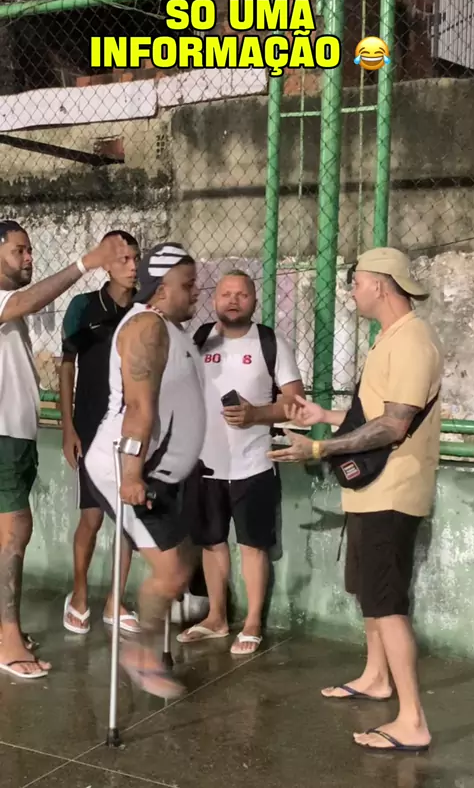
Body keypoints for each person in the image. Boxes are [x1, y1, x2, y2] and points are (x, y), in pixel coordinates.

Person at [269, 247, 443, 753]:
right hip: (373, 489)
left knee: (387, 602)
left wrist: (319, 448)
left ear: (381, 285)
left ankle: (412, 720)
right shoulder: (390, 338)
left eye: (357, 283)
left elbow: (394, 424)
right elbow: (375, 412)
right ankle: (376, 677)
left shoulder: (411, 341)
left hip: (394, 490)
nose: (352, 292)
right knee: (370, 593)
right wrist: (325, 417)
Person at [0, 220, 129, 679]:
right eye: (19, 250)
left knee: (9, 533)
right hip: (3, 437)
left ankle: (4, 631)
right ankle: (9, 641)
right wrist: (86, 262)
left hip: (16, 436)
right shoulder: (8, 302)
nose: (28, 258)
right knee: (14, 532)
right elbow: (28, 301)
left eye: (30, 250)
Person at [85, 242, 206, 699]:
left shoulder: (170, 329)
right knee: (172, 571)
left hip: (160, 471)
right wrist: (132, 475)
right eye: (188, 285)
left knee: (184, 559)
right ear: (160, 290)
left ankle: (149, 640)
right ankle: (140, 654)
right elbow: (138, 408)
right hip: (129, 468)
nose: (196, 293)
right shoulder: (146, 329)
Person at [177, 270, 304, 655]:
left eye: (242, 294)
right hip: (204, 465)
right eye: (226, 294)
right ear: (214, 299)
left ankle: (252, 623)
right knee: (212, 543)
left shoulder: (270, 342)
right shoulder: (198, 340)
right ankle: (216, 618)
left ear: (254, 301)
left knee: (252, 545)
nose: (233, 300)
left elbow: (296, 404)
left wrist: (257, 415)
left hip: (253, 465)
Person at [60, 230, 141, 636]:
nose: (132, 266)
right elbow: (67, 366)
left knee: (126, 519)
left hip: (133, 429)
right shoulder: (83, 307)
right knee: (91, 518)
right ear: (106, 264)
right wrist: (68, 427)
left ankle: (115, 600)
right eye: (123, 259)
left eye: (136, 258)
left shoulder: (145, 309)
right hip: (91, 427)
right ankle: (78, 596)